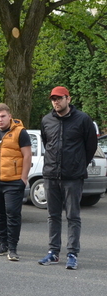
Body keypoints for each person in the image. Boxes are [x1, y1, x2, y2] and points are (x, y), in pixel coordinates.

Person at [38, 86, 97, 270]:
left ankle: (72, 254)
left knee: (73, 216)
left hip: (73, 176)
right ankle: (53, 252)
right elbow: (47, 142)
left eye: (59, 98)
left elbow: (91, 146)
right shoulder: (46, 120)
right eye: (53, 99)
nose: (56, 102)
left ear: (68, 99)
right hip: (51, 175)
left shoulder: (83, 119)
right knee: (53, 215)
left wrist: (78, 164)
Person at [0, 104, 31, 261]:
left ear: (9, 116)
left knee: (12, 214)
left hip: (14, 182)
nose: (0, 120)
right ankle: (2, 244)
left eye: (3, 116)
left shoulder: (20, 132)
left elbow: (27, 156)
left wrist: (23, 179)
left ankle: (13, 248)